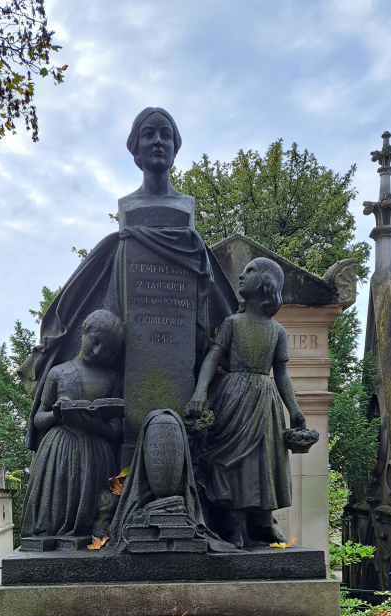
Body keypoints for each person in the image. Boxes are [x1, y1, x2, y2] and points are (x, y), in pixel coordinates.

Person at [19, 107, 237, 448]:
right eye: (148, 134)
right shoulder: (130, 209)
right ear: (134, 149)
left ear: (176, 147)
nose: (158, 142)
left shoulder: (184, 206)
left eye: (166, 135)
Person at [185, 257, 307, 549]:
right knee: (232, 463)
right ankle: (236, 527)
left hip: (264, 402)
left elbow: (282, 374)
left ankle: (263, 524)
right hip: (232, 397)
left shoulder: (277, 331)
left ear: (266, 284)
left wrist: (296, 410)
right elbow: (212, 358)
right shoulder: (232, 324)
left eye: (249, 271)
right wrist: (200, 392)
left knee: (264, 463)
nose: (241, 275)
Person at [20, 310, 124, 541]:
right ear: (84, 332)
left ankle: (90, 534)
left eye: (106, 349)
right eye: (94, 342)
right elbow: (39, 419)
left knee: (93, 510)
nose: (98, 352)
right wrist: (56, 412)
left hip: (96, 454)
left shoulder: (114, 379)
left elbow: (117, 431)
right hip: (59, 450)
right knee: (55, 506)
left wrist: (97, 424)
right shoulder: (58, 372)